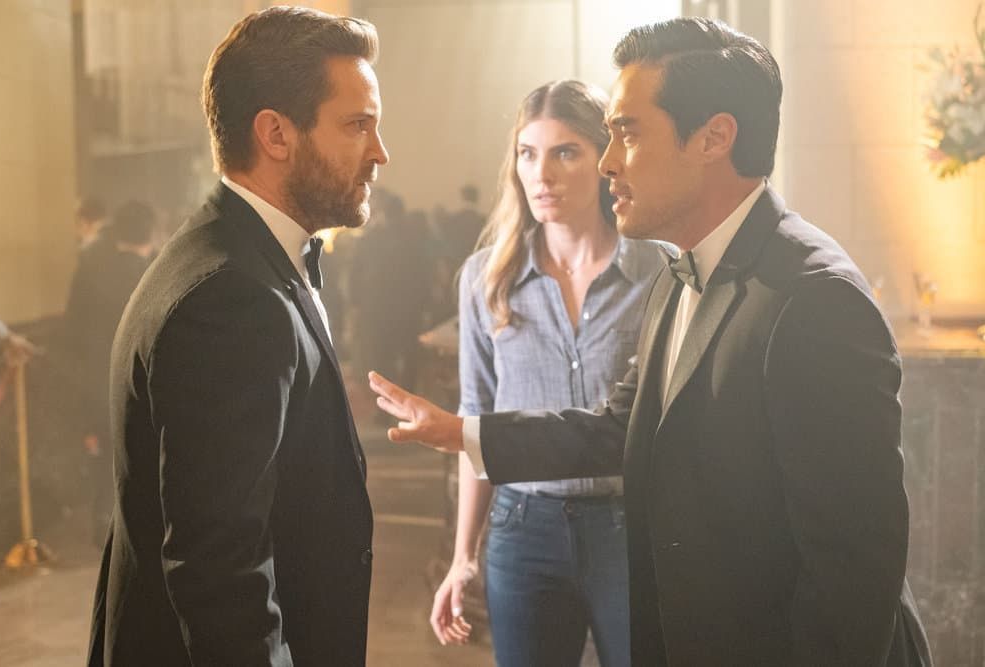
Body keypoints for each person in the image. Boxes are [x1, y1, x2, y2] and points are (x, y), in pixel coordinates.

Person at [369, 17, 932, 667]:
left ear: (714, 138)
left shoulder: (815, 299)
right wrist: (462, 433)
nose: (608, 161)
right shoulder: (677, 274)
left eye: (628, 133)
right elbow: (618, 427)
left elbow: (853, 573)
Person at [88, 7, 388, 666]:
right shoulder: (231, 300)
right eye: (357, 125)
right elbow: (221, 574)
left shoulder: (231, 251)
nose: (379, 152)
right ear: (276, 134)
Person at [434, 80, 663, 667]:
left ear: (604, 159)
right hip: (524, 527)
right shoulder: (487, 278)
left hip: (628, 525)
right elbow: (476, 417)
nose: (543, 174)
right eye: (527, 154)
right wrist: (463, 556)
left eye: (565, 152)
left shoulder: (658, 272)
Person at [62, 200, 155, 544]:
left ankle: (105, 526)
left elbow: (73, 329)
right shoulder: (156, 270)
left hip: (100, 376)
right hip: (145, 378)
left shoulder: (91, 266)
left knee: (106, 455)